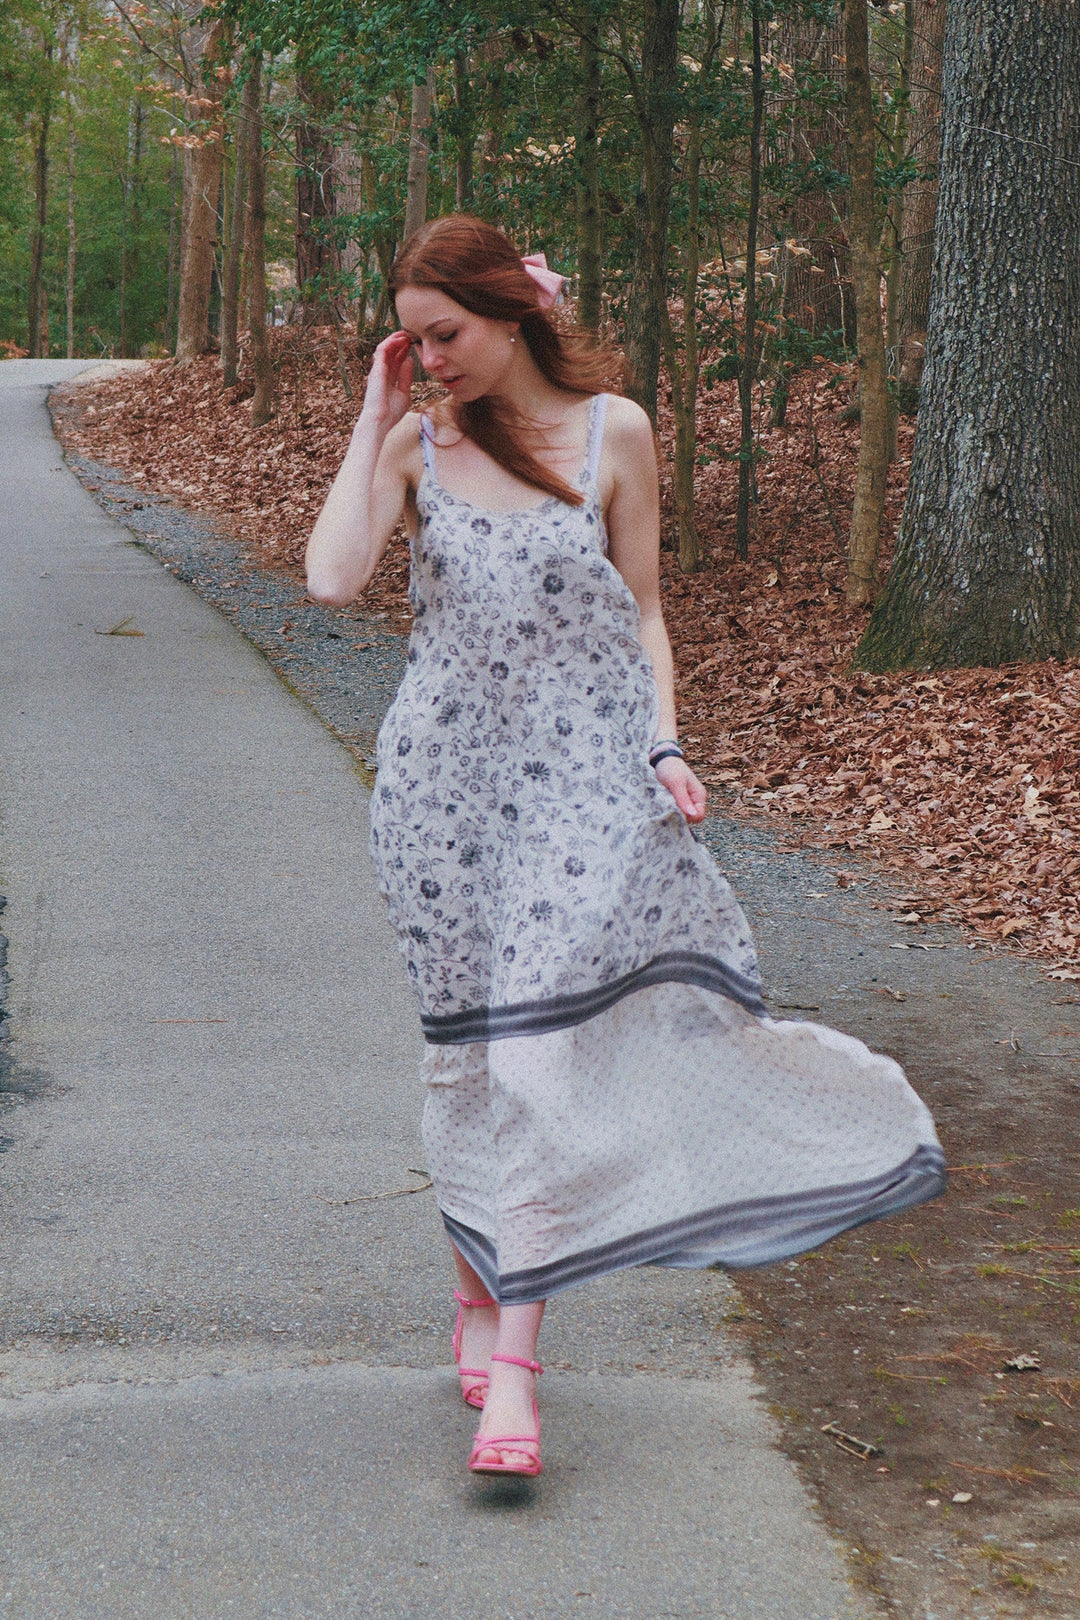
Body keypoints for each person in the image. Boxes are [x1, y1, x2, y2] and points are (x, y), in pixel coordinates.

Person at [305, 214, 945, 1480]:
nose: (433, 361)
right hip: (440, 790)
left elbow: (643, 608)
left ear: (513, 313)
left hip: (586, 782)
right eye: (415, 343)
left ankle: (520, 1377)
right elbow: (331, 581)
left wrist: (664, 743)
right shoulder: (415, 441)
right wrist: (369, 417)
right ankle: (476, 1296)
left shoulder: (619, 433)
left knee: (546, 1058)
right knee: (471, 1065)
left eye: (449, 336)